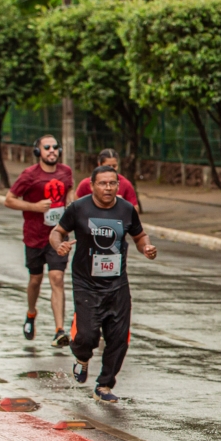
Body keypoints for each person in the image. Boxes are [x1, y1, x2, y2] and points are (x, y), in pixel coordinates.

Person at [49, 166, 156, 403]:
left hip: (117, 284)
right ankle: (82, 358)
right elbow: (57, 232)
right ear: (91, 185)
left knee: (118, 338)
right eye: (102, 183)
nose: (108, 188)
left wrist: (146, 247)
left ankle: (104, 385)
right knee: (87, 336)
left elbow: (139, 236)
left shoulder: (126, 209)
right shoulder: (79, 208)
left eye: (112, 183)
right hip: (86, 283)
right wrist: (59, 245)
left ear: (118, 185)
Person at [4, 135, 73, 347]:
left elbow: (69, 192)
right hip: (34, 236)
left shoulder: (66, 172)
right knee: (35, 280)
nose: (52, 150)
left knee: (57, 278)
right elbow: (9, 200)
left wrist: (71, 207)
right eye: (47, 147)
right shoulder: (29, 175)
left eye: (55, 147)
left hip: (58, 236)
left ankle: (59, 330)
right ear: (38, 152)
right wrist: (34, 207)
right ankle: (31, 313)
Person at [74, 148, 139, 207]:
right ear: (99, 164)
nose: (111, 169)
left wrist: (120, 204)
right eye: (108, 166)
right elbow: (76, 207)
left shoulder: (125, 184)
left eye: (114, 166)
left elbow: (134, 209)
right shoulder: (85, 184)